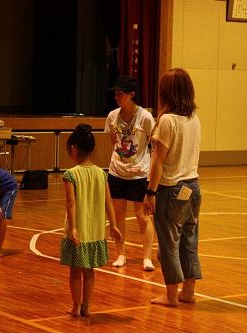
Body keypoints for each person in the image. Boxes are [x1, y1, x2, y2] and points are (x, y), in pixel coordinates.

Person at [143, 68, 202, 307]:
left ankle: (170, 295)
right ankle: (188, 291)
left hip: (171, 189)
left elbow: (158, 161)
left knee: (168, 244)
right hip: (193, 187)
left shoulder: (167, 121)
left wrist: (150, 192)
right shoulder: (193, 118)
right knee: (189, 240)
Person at [60, 124, 122, 317]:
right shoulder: (101, 174)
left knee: (75, 271)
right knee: (89, 271)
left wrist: (74, 228)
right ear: (93, 149)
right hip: (95, 231)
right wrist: (113, 225)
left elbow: (71, 203)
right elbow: (108, 201)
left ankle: (76, 307)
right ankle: (87, 307)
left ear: (73, 148)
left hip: (79, 230)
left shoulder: (71, 174)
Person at [104, 75, 156, 271]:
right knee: (118, 215)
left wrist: (147, 170)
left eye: (121, 94)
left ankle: (147, 257)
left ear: (132, 94)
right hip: (117, 172)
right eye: (116, 94)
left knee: (143, 216)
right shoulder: (112, 116)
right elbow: (113, 141)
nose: (117, 97)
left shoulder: (146, 118)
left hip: (139, 174)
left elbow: (153, 145)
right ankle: (121, 254)